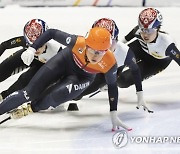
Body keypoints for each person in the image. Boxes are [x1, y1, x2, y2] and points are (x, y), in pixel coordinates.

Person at [0, 27, 132, 131]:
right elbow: (51, 32)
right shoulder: (78, 42)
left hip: (82, 77)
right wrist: (32, 48)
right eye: (92, 50)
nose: (96, 55)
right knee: (28, 93)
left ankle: (32, 108)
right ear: (86, 45)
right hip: (65, 61)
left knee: (53, 97)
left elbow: (113, 87)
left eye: (102, 51)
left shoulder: (109, 63)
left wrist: (114, 113)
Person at [74, 18, 152, 112]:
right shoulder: (84, 44)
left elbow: (135, 71)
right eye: (97, 41)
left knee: (76, 95)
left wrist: (140, 95)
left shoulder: (124, 53)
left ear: (116, 39)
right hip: (93, 67)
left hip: (103, 74)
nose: (103, 46)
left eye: (109, 42)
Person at [0, 19, 61, 102]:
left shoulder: (57, 51)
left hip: (45, 66)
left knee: (25, 79)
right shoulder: (24, 41)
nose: (35, 49)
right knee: (7, 66)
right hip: (28, 56)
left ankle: (5, 96)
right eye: (31, 45)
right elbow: (4, 45)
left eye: (39, 45)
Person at [118, 7, 180, 88]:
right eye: (142, 30)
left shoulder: (167, 45)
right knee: (115, 61)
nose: (145, 34)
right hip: (140, 49)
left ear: (158, 28)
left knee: (123, 82)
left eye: (149, 31)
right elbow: (124, 40)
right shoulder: (138, 31)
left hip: (156, 63)